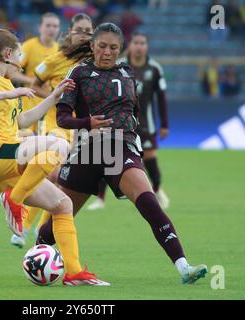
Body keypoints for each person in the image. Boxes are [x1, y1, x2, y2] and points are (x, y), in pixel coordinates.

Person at [37, 23, 207, 285]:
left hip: (121, 147)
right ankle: (37, 258)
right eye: (102, 46)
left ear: (121, 50)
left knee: (149, 203)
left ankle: (184, 267)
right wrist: (87, 124)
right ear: (92, 46)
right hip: (88, 151)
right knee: (61, 216)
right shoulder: (78, 73)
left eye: (113, 47)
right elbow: (61, 118)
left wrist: (133, 136)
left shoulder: (127, 73)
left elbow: (133, 112)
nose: (107, 52)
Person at [0, 26, 108, 286]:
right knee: (59, 146)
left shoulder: (6, 82)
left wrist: (53, 97)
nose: (21, 61)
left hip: (9, 162)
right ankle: (15, 201)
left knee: (63, 205)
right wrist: (10, 93)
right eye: (19, 55)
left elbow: (23, 120)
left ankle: (73, 272)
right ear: (7, 53)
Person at [11, 13, 94, 248]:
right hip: (55, 124)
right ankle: (23, 228)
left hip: (83, 129)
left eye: (89, 31)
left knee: (65, 184)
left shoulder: (95, 60)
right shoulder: (55, 58)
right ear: (70, 31)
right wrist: (56, 97)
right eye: (80, 30)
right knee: (52, 174)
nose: (85, 35)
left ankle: (42, 233)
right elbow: (34, 82)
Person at [88, 31, 170, 210]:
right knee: (109, 156)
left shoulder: (154, 69)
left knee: (150, 158)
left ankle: (156, 190)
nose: (139, 47)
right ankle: (100, 198)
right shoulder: (119, 66)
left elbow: (161, 98)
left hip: (145, 123)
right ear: (129, 45)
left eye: (142, 43)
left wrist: (164, 124)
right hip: (119, 122)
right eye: (136, 43)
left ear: (146, 46)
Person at [9, 12, 61, 248]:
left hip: (51, 118)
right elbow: (12, 72)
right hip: (29, 115)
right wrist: (32, 83)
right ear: (40, 27)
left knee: (50, 176)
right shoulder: (30, 47)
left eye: (55, 26)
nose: (51, 29)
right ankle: (22, 224)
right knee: (34, 172)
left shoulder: (60, 52)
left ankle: (28, 230)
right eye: (48, 25)